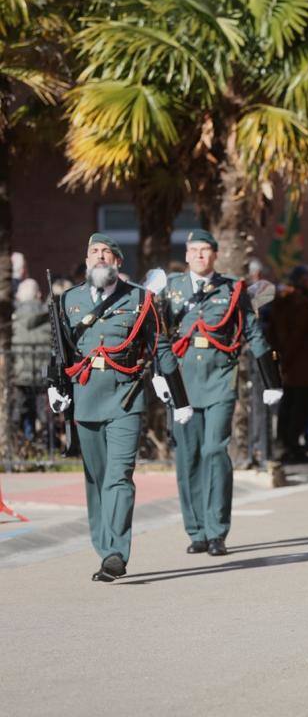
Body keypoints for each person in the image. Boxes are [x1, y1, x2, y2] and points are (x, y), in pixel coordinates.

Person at [47, 233, 193, 581]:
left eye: (106, 253)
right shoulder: (69, 300)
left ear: (117, 262)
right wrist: (54, 385)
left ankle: (116, 553)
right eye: (94, 252)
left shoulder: (140, 299)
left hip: (125, 398)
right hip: (85, 397)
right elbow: (58, 349)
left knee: (119, 476)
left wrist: (178, 396)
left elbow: (160, 347)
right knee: (97, 478)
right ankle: (104, 545)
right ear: (87, 261)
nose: (100, 257)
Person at [163, 229, 283, 557]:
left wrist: (271, 380)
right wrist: (161, 377)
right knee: (187, 457)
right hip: (182, 381)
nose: (199, 255)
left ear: (215, 255)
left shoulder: (233, 288)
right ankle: (197, 530)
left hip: (219, 379)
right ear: (186, 255)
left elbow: (253, 333)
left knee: (215, 450)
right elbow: (159, 336)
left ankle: (216, 531)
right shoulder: (171, 289)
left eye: (205, 250)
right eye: (194, 250)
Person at [267, 265, 308, 464]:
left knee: (289, 405)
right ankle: (290, 446)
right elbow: (298, 334)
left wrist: (280, 356)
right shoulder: (299, 302)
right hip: (302, 363)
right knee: (299, 407)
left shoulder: (281, 301)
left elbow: (273, 332)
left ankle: (286, 444)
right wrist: (287, 358)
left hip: (290, 360)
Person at [12, 279, 50, 440]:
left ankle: (19, 442)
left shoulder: (12, 318)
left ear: (18, 297)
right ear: (39, 294)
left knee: (18, 412)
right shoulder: (48, 316)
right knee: (45, 414)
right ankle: (48, 443)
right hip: (43, 375)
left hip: (19, 375)